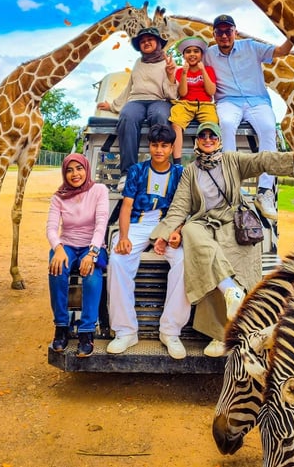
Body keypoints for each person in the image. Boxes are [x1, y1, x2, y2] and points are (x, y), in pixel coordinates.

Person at [151, 121, 294, 357]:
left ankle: (220, 335)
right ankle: (230, 291)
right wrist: (164, 234)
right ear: (197, 142)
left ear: (219, 140)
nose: (208, 139)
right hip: (204, 222)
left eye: (212, 136)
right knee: (190, 232)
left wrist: (293, 156)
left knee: (220, 258)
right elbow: (180, 206)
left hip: (232, 222)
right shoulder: (191, 171)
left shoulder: (232, 160)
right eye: (203, 136)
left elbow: (261, 160)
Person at [106, 124, 191, 359]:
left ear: (172, 147)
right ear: (149, 146)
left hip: (168, 225)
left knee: (184, 260)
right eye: (155, 145)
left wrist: (176, 232)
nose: (159, 150)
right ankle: (126, 331)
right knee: (118, 258)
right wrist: (123, 237)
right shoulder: (137, 171)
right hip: (138, 225)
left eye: (164, 145)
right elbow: (127, 206)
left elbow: (184, 208)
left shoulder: (179, 174)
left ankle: (170, 331)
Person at [204, 14, 293, 221]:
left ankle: (264, 191)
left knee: (269, 129)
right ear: (214, 34)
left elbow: (281, 51)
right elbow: (191, 63)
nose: (224, 35)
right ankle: (231, 185)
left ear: (235, 31)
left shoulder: (251, 47)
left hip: (257, 101)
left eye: (228, 31)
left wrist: (293, 34)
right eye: (220, 32)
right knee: (225, 125)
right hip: (228, 101)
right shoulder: (208, 54)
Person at [97, 26, 177, 191]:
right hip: (137, 100)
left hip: (159, 99)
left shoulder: (167, 62)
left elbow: (172, 94)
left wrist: (170, 75)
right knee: (127, 117)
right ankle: (128, 173)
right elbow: (129, 87)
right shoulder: (138, 63)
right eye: (143, 41)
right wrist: (112, 105)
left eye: (150, 40)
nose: (146, 43)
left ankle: (159, 171)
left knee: (160, 117)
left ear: (158, 42)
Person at [46, 153, 109, 357]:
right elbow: (51, 228)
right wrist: (57, 248)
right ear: (64, 173)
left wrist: (92, 253)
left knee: (92, 277)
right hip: (68, 245)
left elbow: (101, 224)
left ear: (86, 169)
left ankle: (86, 331)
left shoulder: (99, 190)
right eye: (69, 170)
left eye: (79, 168)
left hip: (92, 245)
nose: (75, 174)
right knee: (56, 269)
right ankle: (61, 326)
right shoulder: (59, 196)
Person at [169, 35, 218, 164]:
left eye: (196, 51)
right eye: (188, 51)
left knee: (211, 125)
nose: (192, 54)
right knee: (176, 123)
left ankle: (208, 158)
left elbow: (211, 91)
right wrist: (184, 74)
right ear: (184, 55)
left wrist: (203, 72)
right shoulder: (180, 71)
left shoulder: (208, 69)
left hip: (205, 104)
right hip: (185, 103)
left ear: (201, 55)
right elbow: (182, 93)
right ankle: (177, 161)